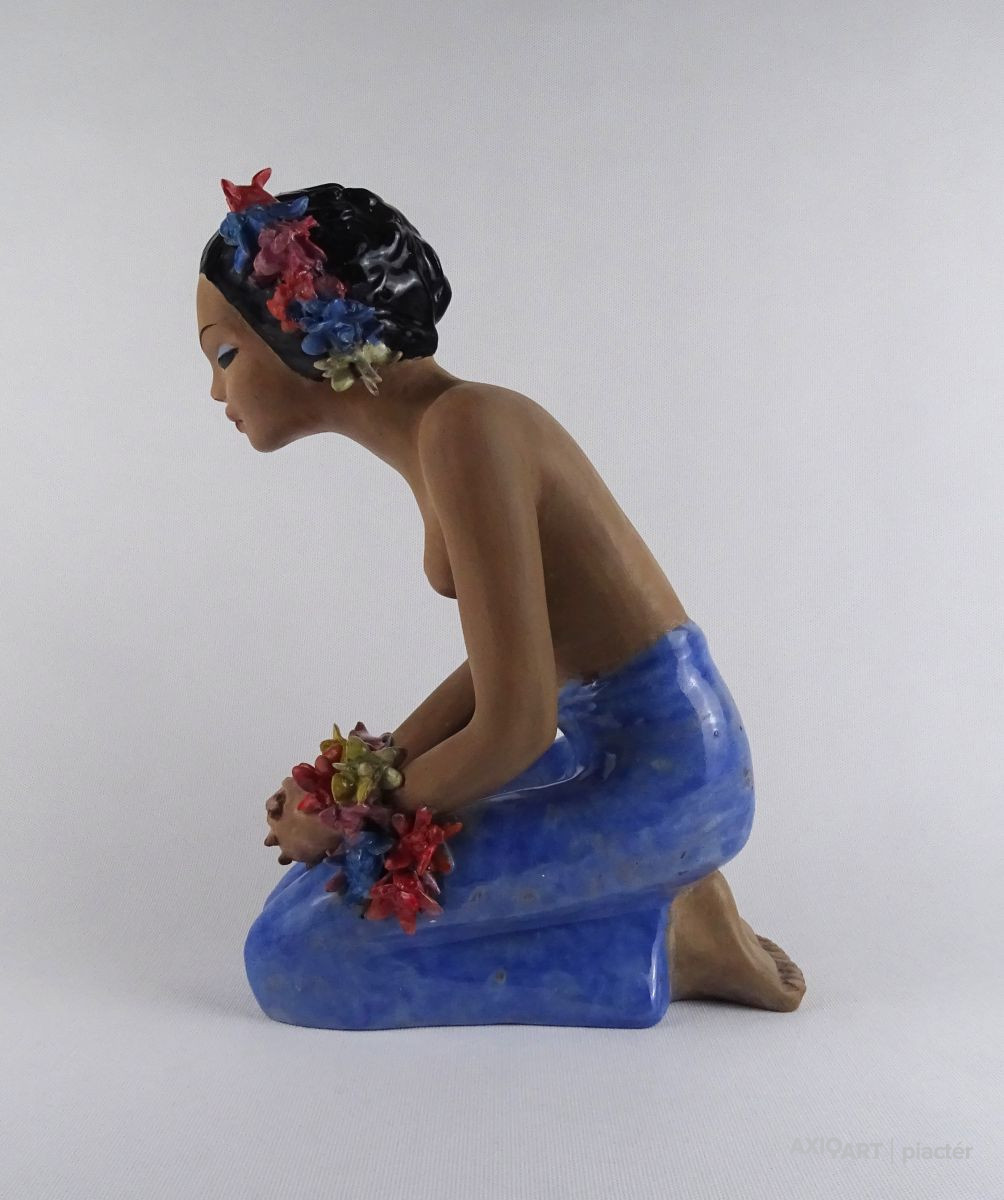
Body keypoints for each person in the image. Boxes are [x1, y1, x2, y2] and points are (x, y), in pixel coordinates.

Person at [196, 169, 805, 1028]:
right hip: (614, 754)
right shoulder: (450, 430)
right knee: (304, 902)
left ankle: (671, 940)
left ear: (301, 330)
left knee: (293, 961)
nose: (216, 391)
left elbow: (517, 728)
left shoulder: (467, 431)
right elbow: (526, 659)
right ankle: (660, 897)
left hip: (666, 781)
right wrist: (352, 785)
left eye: (225, 355)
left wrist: (351, 819)